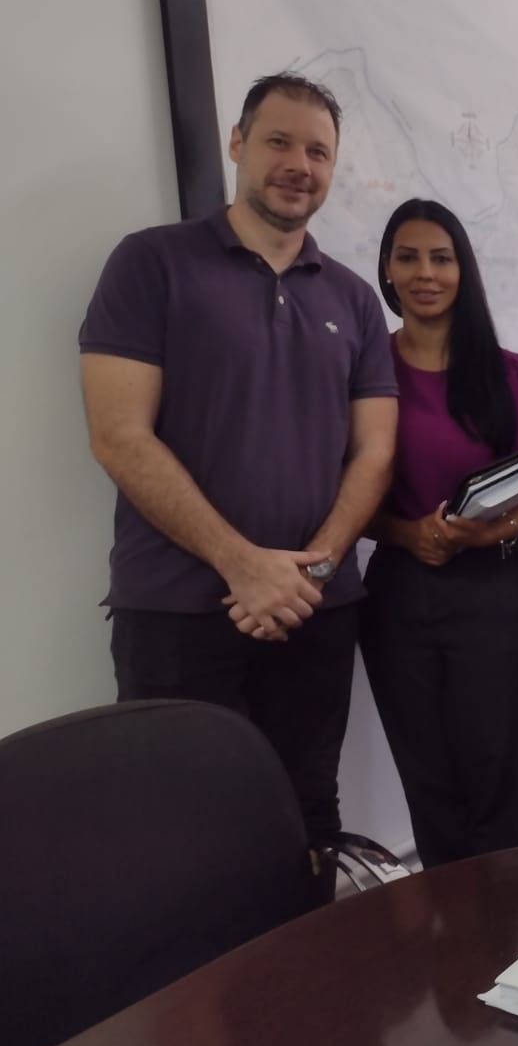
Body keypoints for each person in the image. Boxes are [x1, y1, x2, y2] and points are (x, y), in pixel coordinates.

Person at [79, 73, 398, 849]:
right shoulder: (150, 264)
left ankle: (307, 976)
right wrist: (243, 564)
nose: (299, 164)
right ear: (237, 144)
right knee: (181, 831)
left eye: (318, 151)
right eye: (279, 142)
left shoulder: (355, 299)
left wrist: (310, 572)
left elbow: (375, 449)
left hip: (313, 612)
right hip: (180, 609)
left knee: (305, 816)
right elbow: (119, 435)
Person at [359, 199, 518, 867]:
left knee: (494, 778)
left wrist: (490, 532)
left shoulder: (507, 372)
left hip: (495, 591)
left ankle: (502, 940)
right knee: (430, 784)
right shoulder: (364, 375)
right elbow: (342, 494)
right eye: (407, 256)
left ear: (462, 270)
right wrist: (402, 533)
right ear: (387, 271)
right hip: (399, 597)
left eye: (441, 257)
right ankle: (452, 945)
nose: (425, 272)